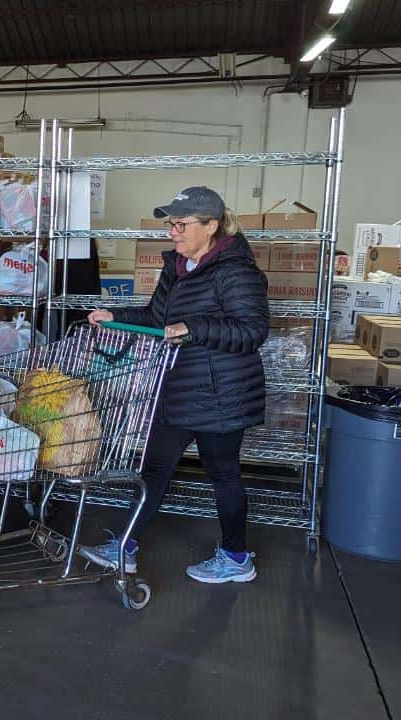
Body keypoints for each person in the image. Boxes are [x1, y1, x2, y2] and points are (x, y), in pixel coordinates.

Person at [80, 186, 269, 584]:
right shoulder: (178, 267)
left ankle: (237, 558)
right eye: (171, 224)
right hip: (182, 387)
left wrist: (194, 328)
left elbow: (252, 331)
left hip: (222, 394)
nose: (173, 232)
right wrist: (115, 314)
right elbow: (156, 318)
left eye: (181, 224)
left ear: (211, 226)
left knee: (223, 473)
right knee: (154, 467)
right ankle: (125, 547)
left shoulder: (235, 270)